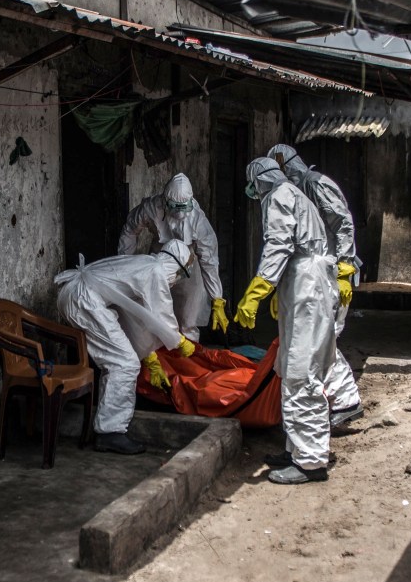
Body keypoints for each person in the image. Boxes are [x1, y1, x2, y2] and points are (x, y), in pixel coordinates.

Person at [234, 158, 338, 484]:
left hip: (307, 287)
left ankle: (310, 462)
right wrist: (280, 292)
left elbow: (279, 244)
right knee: (290, 367)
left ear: (259, 180)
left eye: (252, 185)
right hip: (306, 284)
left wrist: (259, 289)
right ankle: (295, 449)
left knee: (300, 373)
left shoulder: (279, 195)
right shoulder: (295, 194)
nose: (252, 192)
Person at [55, 240, 198, 454]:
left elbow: (136, 317)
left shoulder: (146, 265)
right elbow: (162, 316)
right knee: (124, 363)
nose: (178, 280)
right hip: (84, 300)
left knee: (120, 360)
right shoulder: (156, 271)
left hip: (77, 295)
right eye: (182, 274)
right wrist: (180, 341)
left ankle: (108, 427)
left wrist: (150, 358)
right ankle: (110, 432)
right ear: (177, 266)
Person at [267, 144, 363, 431]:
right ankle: (343, 400)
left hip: (331, 272)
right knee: (321, 338)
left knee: (322, 338)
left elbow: (343, 223)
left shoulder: (315, 184)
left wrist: (345, 266)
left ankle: (344, 399)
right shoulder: (297, 191)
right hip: (319, 274)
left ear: (282, 163)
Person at [117, 173, 226, 340]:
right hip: (159, 260)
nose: (180, 214)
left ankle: (188, 352)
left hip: (189, 265)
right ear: (165, 200)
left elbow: (209, 260)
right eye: (175, 207)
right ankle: (158, 352)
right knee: (154, 313)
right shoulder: (151, 208)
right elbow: (130, 229)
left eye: (184, 208)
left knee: (188, 320)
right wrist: (125, 262)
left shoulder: (199, 222)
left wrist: (217, 298)